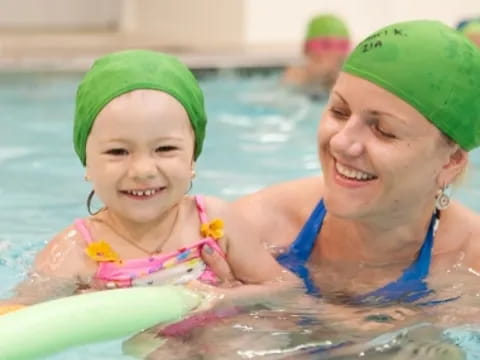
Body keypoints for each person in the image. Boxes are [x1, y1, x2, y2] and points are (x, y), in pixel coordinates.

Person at [205, 19, 480, 307]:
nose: (340, 142)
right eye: (339, 111)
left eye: (383, 130)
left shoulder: (470, 264)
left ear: (451, 161)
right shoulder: (252, 229)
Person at [0, 50, 296, 313]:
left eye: (165, 149)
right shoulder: (75, 251)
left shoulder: (215, 223)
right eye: (118, 151)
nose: (143, 170)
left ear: (192, 158)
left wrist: (226, 299)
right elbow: (18, 317)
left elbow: (285, 288)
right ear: (87, 163)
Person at [283, 14, 351, 96]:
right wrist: (314, 75)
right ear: (306, 49)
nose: (334, 52)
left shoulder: (348, 78)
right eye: (325, 45)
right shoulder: (296, 74)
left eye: (342, 46)